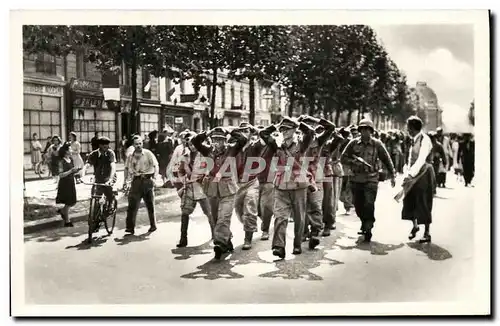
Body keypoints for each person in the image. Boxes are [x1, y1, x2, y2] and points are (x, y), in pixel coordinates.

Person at [259, 117, 315, 259]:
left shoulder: (301, 145)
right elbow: (264, 134)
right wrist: (274, 126)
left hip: (298, 186)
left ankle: (297, 244)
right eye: (282, 129)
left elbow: (310, 132)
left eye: (287, 129)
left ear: (295, 130)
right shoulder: (277, 145)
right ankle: (279, 246)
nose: (284, 132)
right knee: (280, 216)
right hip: (281, 185)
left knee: (299, 217)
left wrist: (298, 124)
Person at [191, 127, 247, 259]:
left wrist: (230, 132)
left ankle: (220, 244)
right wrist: (206, 133)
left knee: (224, 217)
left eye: (220, 140)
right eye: (215, 139)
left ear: (225, 141)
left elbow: (243, 140)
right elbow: (195, 141)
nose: (217, 142)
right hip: (212, 188)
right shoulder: (207, 150)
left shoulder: (231, 150)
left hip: (228, 188)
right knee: (215, 218)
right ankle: (227, 240)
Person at [341, 119, 396, 242]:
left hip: (371, 178)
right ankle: (363, 221)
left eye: (367, 129)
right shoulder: (353, 143)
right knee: (358, 205)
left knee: (369, 204)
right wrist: (353, 162)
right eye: (362, 129)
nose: (365, 131)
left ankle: (368, 226)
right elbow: (343, 158)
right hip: (356, 179)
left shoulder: (377, 144)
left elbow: (387, 159)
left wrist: (392, 174)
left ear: (371, 131)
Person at [401, 116, 436, 243]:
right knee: (410, 200)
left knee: (424, 202)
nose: (407, 130)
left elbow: (421, 159)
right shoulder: (412, 140)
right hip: (413, 173)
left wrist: (410, 174)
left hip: (424, 174)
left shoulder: (424, 140)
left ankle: (427, 232)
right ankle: (415, 226)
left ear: (413, 128)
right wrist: (407, 172)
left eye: (408, 127)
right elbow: (410, 158)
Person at [176, 132, 215, 247]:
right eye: (189, 144)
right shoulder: (184, 157)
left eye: (193, 144)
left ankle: (216, 235)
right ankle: (183, 239)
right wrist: (184, 180)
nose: (192, 146)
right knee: (184, 213)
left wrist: (205, 177)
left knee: (210, 213)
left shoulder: (205, 154)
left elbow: (211, 168)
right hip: (190, 188)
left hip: (204, 188)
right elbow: (180, 171)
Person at [122, 135, 159, 235]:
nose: (138, 145)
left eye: (140, 143)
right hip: (136, 181)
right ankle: (130, 228)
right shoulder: (130, 156)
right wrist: (125, 181)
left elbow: (156, 165)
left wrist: (155, 178)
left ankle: (153, 225)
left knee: (150, 204)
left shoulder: (148, 153)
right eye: (136, 144)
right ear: (133, 145)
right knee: (132, 205)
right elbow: (126, 168)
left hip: (147, 180)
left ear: (142, 143)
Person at [82, 136, 118, 236]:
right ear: (100, 146)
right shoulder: (94, 154)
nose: (106, 147)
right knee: (95, 199)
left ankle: (110, 205)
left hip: (109, 177)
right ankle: (94, 222)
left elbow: (113, 166)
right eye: (104, 146)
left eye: (107, 145)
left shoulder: (110, 153)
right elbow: (87, 165)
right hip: (98, 178)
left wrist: (111, 178)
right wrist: (83, 174)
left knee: (109, 192)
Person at [55, 142, 79, 227]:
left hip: (71, 182)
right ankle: (67, 221)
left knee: (72, 201)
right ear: (65, 151)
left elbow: (72, 171)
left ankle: (62, 211)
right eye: (70, 149)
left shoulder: (71, 159)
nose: (71, 150)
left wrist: (76, 173)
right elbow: (61, 175)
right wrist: (71, 171)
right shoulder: (61, 161)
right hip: (64, 184)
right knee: (69, 202)